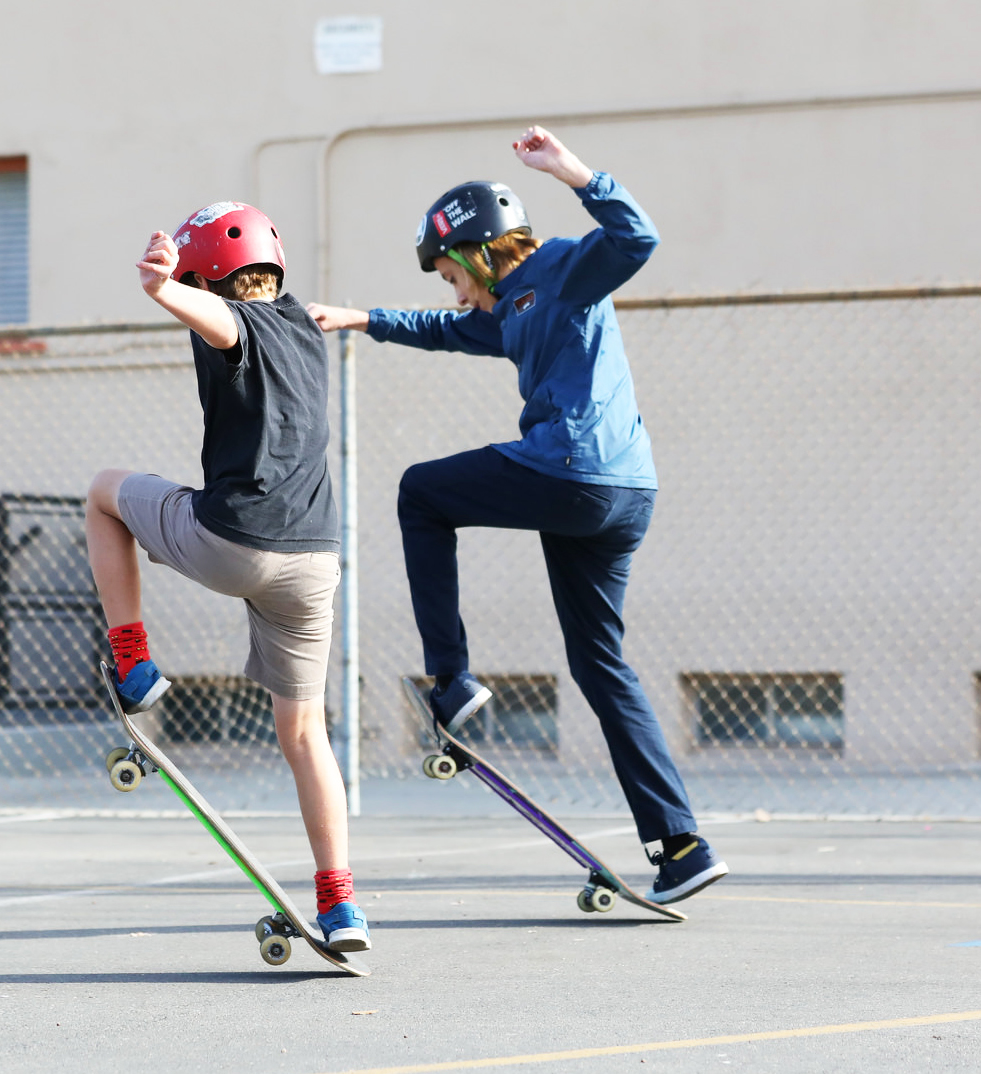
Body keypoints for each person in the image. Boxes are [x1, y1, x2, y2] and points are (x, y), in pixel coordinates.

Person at [307, 127, 727, 905]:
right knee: (600, 664)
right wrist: (360, 318)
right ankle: (680, 844)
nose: (451, 292)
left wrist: (573, 172)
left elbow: (636, 238)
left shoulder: (563, 268)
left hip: (573, 471)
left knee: (419, 493)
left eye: (448, 275)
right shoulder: (511, 309)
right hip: (619, 494)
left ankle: (452, 681)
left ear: (471, 252)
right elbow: (441, 331)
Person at [85, 201, 369, 949]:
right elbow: (252, 315)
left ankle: (133, 663)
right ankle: (340, 903)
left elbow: (226, 324)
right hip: (314, 563)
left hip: (234, 542)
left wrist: (160, 288)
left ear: (207, 277)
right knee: (305, 734)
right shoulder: (308, 329)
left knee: (104, 492)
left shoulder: (229, 320)